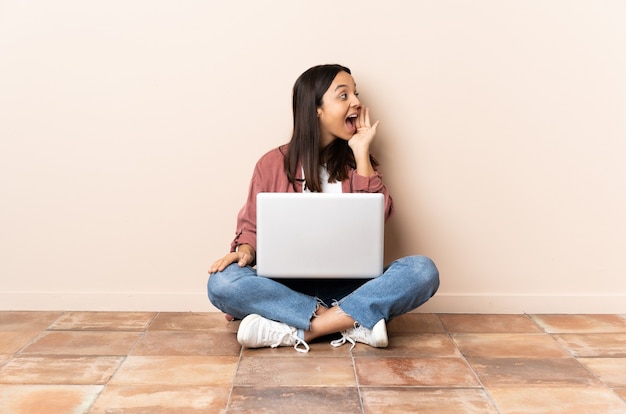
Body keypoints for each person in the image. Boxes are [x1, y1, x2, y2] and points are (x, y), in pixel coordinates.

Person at [207, 64, 439, 353]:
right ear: (315, 108)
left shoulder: (361, 162)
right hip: (285, 289)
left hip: (351, 287)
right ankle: (351, 322)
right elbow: (252, 229)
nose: (356, 102)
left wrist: (362, 152)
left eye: (355, 93)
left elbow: (378, 219)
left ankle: (298, 329)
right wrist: (244, 251)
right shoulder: (271, 163)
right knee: (221, 282)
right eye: (344, 96)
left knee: (422, 270)